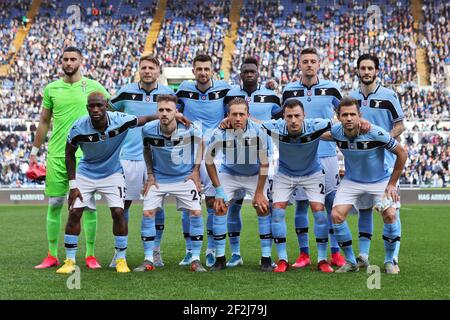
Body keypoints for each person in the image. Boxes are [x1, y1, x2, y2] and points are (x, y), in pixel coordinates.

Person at [56, 92, 154, 274]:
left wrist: (172, 115)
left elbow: (145, 118)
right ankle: (69, 261)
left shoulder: (120, 120)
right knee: (75, 212)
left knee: (118, 212)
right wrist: (73, 185)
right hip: (86, 173)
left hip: (112, 173)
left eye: (99, 105)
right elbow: (69, 154)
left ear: (106, 105)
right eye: (91, 106)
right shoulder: (78, 127)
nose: (95, 109)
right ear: (87, 107)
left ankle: (121, 260)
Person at [31, 47, 110, 269]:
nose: (68, 62)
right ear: (61, 62)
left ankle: (90, 255)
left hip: (86, 155)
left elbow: (111, 111)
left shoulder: (94, 87)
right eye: (65, 59)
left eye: (73, 59)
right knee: (55, 203)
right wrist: (34, 152)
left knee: (89, 205)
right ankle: (52, 254)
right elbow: (44, 122)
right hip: (57, 154)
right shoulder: (51, 88)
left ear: (81, 61)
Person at [108, 55, 179, 268]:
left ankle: (155, 251)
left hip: (157, 158)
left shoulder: (168, 95)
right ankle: (119, 252)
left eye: (151, 68)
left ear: (158, 71)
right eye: (143, 68)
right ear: (139, 70)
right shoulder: (126, 91)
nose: (147, 71)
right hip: (128, 157)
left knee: (157, 207)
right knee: (123, 206)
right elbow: (111, 114)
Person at [323, 97, 407, 273]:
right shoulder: (336, 132)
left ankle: (390, 260)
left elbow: (402, 153)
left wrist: (392, 184)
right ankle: (352, 261)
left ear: (359, 116)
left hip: (380, 181)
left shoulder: (375, 132)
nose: (348, 118)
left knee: (390, 215)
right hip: (352, 181)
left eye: (352, 114)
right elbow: (314, 132)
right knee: (336, 216)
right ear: (338, 116)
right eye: (344, 114)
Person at [281, 47, 345, 268]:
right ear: (299, 64)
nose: (309, 64)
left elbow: (345, 116)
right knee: (301, 205)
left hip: (327, 154)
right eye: (305, 61)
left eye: (313, 61)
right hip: (299, 157)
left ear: (319, 64)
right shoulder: (289, 90)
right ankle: (304, 253)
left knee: (330, 204)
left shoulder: (332, 89)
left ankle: (335, 251)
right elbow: (284, 122)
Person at [261, 99, 335, 273]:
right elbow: (254, 123)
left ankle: (323, 259)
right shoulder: (275, 127)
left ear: (304, 116)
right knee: (277, 211)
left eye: (297, 116)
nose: (293, 120)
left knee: (319, 211)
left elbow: (338, 124)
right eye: (289, 116)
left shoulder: (316, 125)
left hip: (312, 173)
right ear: (283, 118)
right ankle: (282, 259)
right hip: (285, 174)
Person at [221, 56, 282, 268]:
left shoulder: (271, 96)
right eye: (245, 71)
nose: (249, 74)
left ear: (258, 73)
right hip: (232, 161)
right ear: (240, 73)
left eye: (252, 71)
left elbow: (278, 122)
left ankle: (267, 257)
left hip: (260, 159)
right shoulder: (230, 95)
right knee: (229, 207)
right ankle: (232, 254)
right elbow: (226, 121)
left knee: (264, 207)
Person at [349, 54, 405, 272]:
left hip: (385, 163)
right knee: (363, 209)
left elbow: (400, 125)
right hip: (360, 164)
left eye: (370, 68)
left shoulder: (389, 95)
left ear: (376, 71)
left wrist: (386, 140)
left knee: (390, 212)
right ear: (358, 71)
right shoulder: (352, 97)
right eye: (362, 68)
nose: (366, 72)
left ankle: (391, 259)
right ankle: (363, 255)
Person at [137, 94, 206, 272]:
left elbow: (202, 144)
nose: (164, 113)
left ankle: (196, 259)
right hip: (159, 178)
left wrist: (196, 171)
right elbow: (146, 150)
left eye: (169, 110)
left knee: (196, 212)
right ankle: (148, 259)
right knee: (147, 213)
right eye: (161, 110)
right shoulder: (148, 130)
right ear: (157, 111)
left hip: (184, 177)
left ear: (177, 112)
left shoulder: (190, 129)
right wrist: (150, 174)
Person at [176, 53, 232, 267]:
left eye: (206, 69)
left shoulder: (224, 89)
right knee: (187, 204)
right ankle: (190, 251)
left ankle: (210, 249)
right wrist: (178, 115)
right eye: (199, 69)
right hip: (188, 151)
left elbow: (233, 109)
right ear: (193, 71)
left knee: (211, 202)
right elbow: (175, 108)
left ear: (212, 70)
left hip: (214, 153)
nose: (202, 72)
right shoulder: (183, 89)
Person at [205, 98, 273, 272]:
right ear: (227, 115)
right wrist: (219, 190)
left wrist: (259, 193)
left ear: (248, 115)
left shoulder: (259, 131)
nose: (237, 118)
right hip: (230, 173)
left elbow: (265, 163)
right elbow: (209, 161)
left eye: (241, 114)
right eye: (234, 114)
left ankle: (266, 258)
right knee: (219, 206)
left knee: (262, 206)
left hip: (254, 174)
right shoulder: (220, 132)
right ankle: (220, 258)